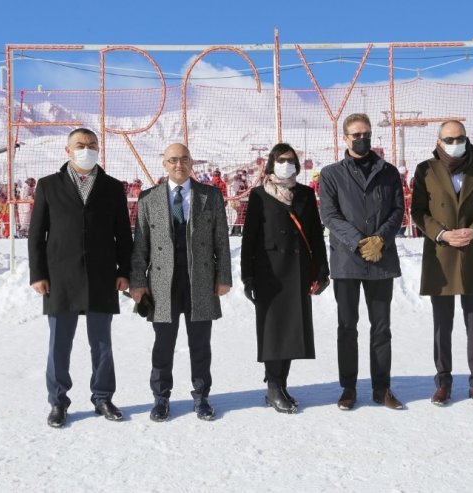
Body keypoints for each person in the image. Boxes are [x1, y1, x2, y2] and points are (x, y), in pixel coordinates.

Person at [28, 128, 133, 429]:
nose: (86, 150)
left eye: (91, 145)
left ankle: (102, 397)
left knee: (101, 343)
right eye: (80, 145)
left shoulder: (113, 187)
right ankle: (58, 402)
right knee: (59, 344)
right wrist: (38, 274)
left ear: (99, 149)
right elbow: (37, 234)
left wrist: (123, 271)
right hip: (60, 277)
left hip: (102, 276)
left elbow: (123, 234)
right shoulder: (48, 185)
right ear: (67, 150)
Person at [130, 143, 232, 423]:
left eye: (184, 159)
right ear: (164, 164)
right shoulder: (148, 198)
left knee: (200, 343)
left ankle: (202, 396)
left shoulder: (209, 196)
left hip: (200, 280)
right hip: (162, 283)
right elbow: (140, 245)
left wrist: (223, 277)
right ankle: (161, 397)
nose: (179, 165)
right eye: (173, 160)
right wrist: (138, 282)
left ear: (191, 163)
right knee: (163, 343)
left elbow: (222, 240)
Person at [411, 120, 473, 407]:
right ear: (439, 142)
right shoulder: (426, 169)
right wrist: (442, 233)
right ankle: (443, 382)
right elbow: (418, 211)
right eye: (449, 139)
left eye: (459, 137)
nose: (455, 143)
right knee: (442, 323)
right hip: (441, 254)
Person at [319, 113, 405, 411]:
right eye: (355, 134)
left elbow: (397, 210)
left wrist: (380, 239)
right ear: (345, 138)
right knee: (347, 326)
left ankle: (382, 388)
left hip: (381, 259)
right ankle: (348, 388)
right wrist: (358, 241)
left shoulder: (389, 172)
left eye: (366, 133)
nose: (361, 138)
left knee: (381, 327)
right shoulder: (331, 174)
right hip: (347, 260)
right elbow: (329, 214)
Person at [241, 143, 330, 413]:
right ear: (271, 163)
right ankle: (273, 386)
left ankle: (280, 384)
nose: (287, 164)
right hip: (269, 272)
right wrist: (247, 277)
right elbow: (249, 238)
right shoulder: (258, 195)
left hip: (298, 270)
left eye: (291, 160)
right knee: (273, 330)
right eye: (281, 159)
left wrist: (322, 271)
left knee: (292, 329)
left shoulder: (304, 194)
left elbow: (315, 235)